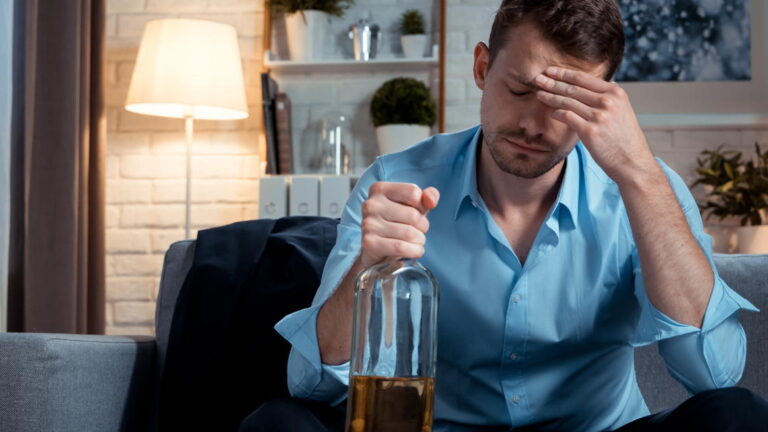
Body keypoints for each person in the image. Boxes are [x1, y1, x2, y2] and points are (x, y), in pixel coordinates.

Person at [240, 1, 768, 431]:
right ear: (481, 68)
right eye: (519, 90)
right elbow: (309, 385)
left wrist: (639, 176)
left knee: (736, 416)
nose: (535, 124)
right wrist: (367, 270)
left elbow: (714, 377)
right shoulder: (396, 179)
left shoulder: (646, 190)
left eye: (567, 106)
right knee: (276, 423)